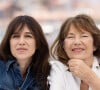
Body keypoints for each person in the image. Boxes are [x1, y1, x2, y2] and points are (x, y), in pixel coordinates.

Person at [48, 14, 100, 90]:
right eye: (70, 37)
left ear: (95, 44)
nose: (77, 42)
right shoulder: (58, 68)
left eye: (84, 36)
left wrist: (90, 77)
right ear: (63, 45)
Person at [0, 15, 51, 90]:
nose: (21, 42)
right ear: (9, 42)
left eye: (28, 36)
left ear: (37, 43)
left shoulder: (47, 72)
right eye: (16, 36)